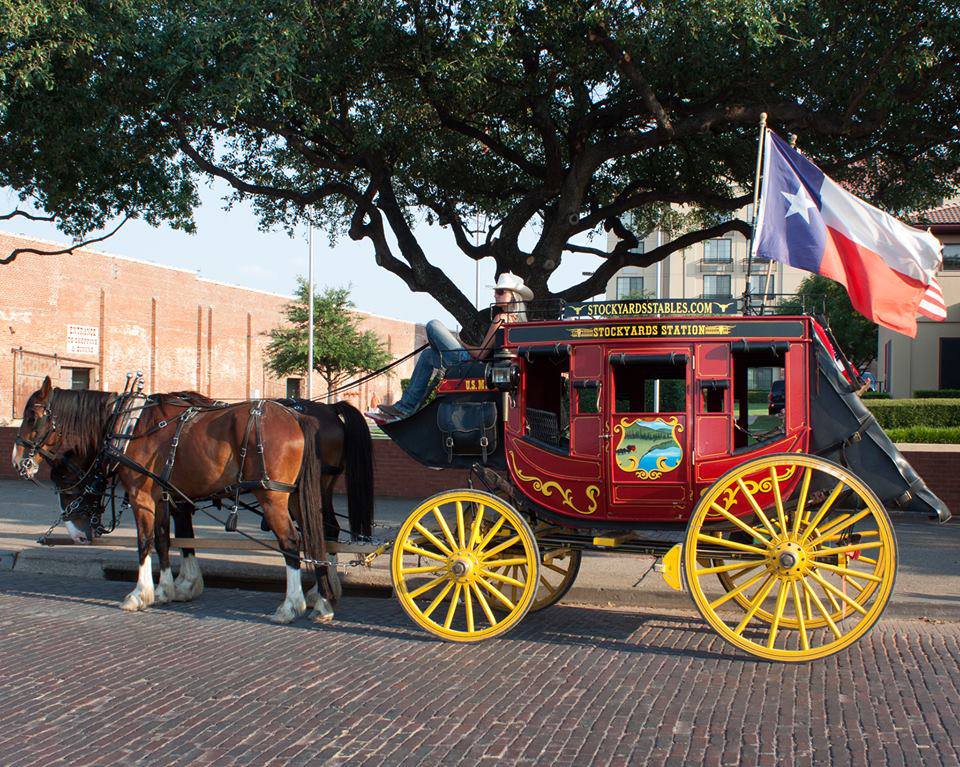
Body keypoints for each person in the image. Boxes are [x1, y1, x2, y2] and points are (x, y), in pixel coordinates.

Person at [376, 272, 533, 421]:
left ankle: (406, 407)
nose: (494, 295)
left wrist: (460, 343)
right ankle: (404, 407)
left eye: (500, 292)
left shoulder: (501, 317)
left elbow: (480, 354)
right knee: (427, 355)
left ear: (512, 296)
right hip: (484, 369)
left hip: (471, 367)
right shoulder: (518, 323)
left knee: (433, 325)